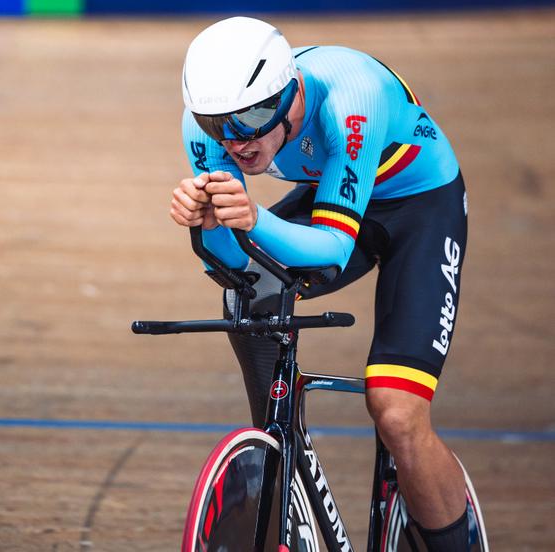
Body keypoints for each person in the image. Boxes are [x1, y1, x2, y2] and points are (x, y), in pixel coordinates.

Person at [170, 16, 470, 551]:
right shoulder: (205, 126)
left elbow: (332, 252)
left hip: (420, 209)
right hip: (334, 191)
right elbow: (232, 266)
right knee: (249, 295)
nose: (235, 141)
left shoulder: (351, 98)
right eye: (218, 125)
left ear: (289, 95)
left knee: (397, 414)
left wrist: (253, 219)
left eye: (253, 118)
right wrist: (209, 225)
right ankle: (280, 449)